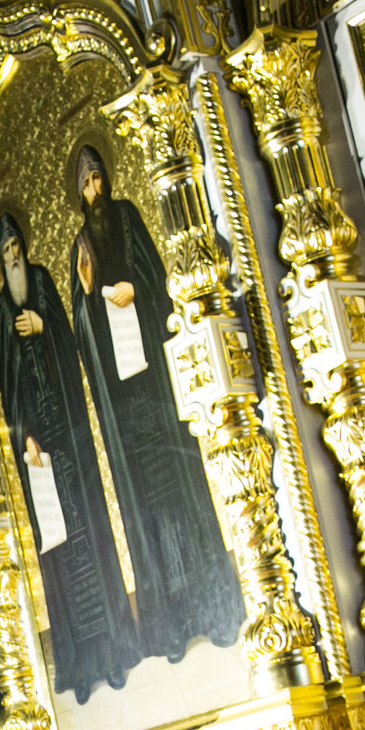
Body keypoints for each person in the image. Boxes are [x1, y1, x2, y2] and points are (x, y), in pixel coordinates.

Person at [66, 144, 242, 662]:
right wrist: (87, 291)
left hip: (155, 388)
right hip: (122, 399)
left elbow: (157, 278)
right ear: (78, 193)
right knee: (145, 504)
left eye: (99, 180)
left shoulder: (125, 216)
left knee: (180, 490)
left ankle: (212, 607)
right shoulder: (82, 241)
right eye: (88, 185)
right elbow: (81, 323)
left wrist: (133, 291)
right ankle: (168, 622)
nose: (96, 191)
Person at [0, 209, 139, 701]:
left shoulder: (40, 280)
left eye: (17, 245)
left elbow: (69, 339)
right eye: (5, 250)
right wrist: (24, 438)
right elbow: (8, 385)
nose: (13, 255)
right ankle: (80, 668)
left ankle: (115, 652)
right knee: (59, 549)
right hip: (38, 446)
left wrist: (43, 324)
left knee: (89, 530)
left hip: (68, 428)